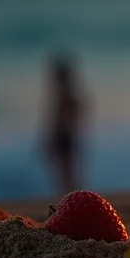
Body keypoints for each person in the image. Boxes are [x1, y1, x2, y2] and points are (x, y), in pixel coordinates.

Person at [45, 53, 87, 197]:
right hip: (68, 137)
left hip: (64, 137)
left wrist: (52, 139)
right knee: (67, 173)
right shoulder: (70, 95)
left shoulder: (65, 96)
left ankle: (71, 198)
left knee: (66, 173)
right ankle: (71, 198)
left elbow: (58, 121)